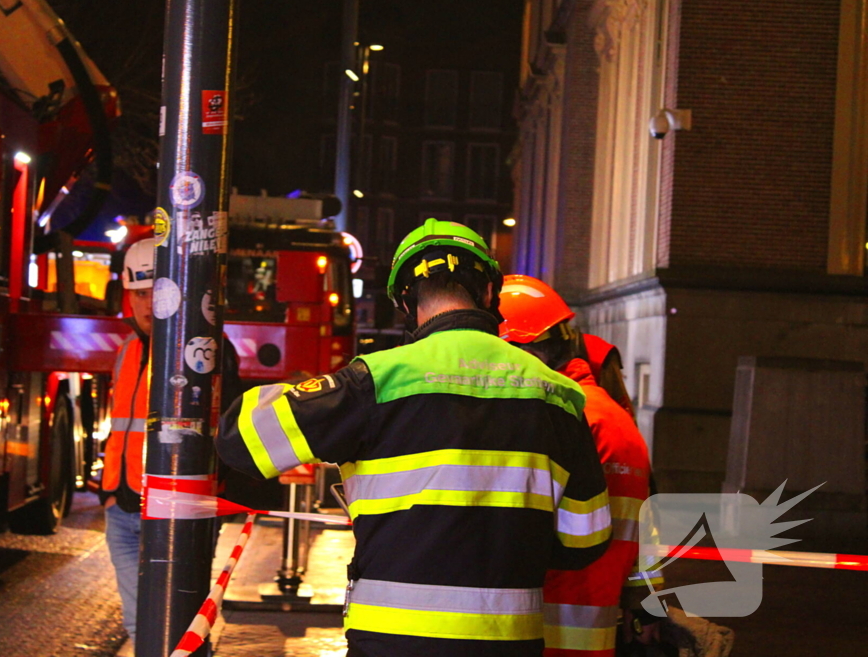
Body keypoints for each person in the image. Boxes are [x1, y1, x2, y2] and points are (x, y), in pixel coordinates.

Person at [216, 219, 612, 657]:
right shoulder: (559, 395)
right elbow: (586, 540)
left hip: (390, 643)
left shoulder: (376, 380)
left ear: (406, 302)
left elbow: (241, 440)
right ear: (487, 294)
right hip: (508, 644)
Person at [496, 275, 664, 656]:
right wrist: (647, 599)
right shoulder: (611, 416)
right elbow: (642, 524)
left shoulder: (564, 415)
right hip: (591, 627)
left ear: (524, 350)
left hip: (542, 625)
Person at [102, 237, 241, 655]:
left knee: (182, 631)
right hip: (124, 508)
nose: (147, 305)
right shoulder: (128, 348)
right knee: (139, 627)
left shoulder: (207, 350)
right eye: (139, 295)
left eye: (156, 292)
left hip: (177, 511)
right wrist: (108, 494)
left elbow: (227, 429)